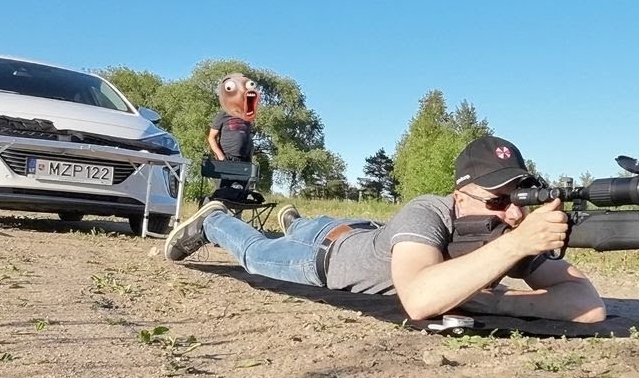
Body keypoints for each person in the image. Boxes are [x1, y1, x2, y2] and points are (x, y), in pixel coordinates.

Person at [164, 135, 606, 323]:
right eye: (498, 201)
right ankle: (216, 220)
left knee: (305, 226)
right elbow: (419, 300)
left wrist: (495, 300)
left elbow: (588, 307)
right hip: (324, 257)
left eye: (521, 199)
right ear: (460, 196)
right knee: (255, 253)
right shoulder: (429, 210)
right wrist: (516, 247)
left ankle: (296, 221)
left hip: (359, 229)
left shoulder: (512, 232)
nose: (513, 214)